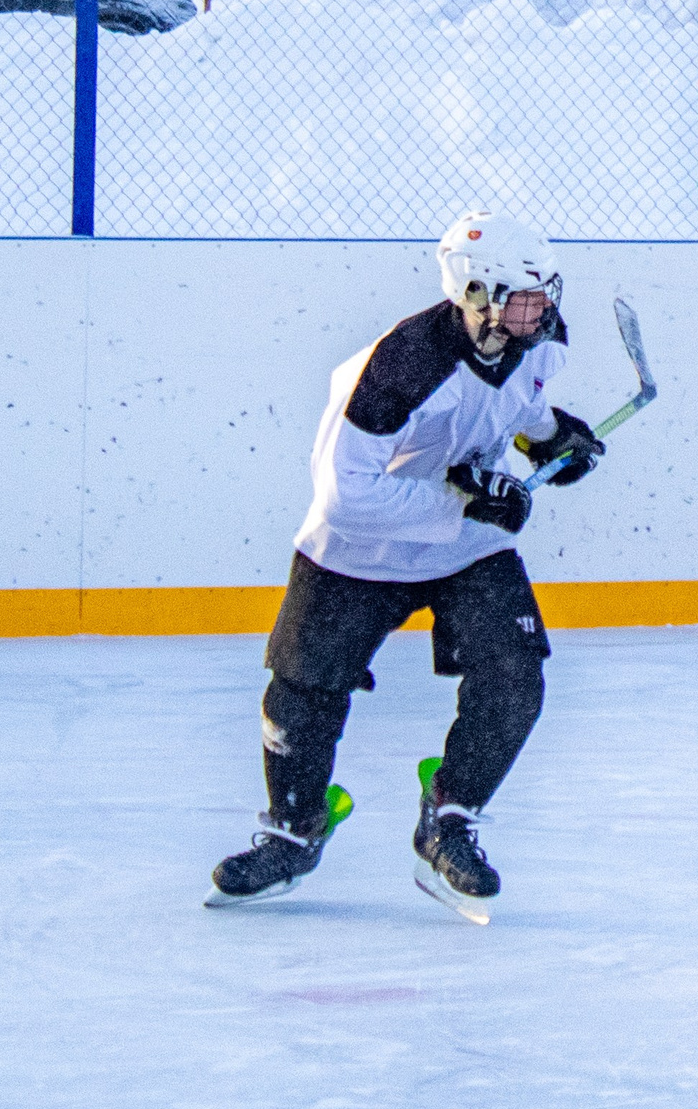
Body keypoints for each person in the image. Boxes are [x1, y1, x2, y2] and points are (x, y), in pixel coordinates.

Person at [205, 210, 606, 921]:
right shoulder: (401, 367)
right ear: (476, 293)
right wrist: (462, 499)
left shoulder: (537, 340)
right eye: (525, 297)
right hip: (359, 546)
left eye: (547, 295)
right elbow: (343, 495)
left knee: (515, 678)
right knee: (300, 694)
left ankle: (449, 817)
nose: (543, 311)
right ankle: (294, 827)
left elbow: (523, 399)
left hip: (466, 544)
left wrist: (550, 440)